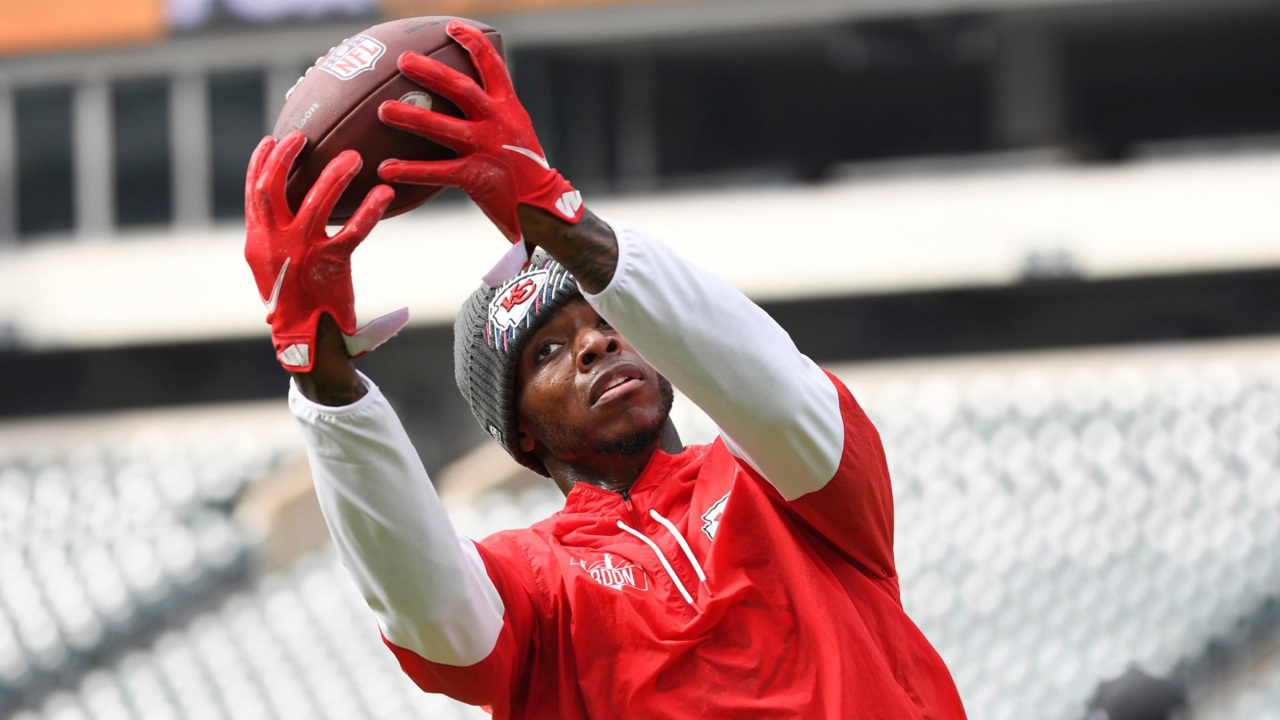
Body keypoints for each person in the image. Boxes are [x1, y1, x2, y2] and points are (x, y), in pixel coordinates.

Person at [243, 19, 967, 720]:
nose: (596, 345)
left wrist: (562, 216)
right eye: (548, 352)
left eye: (610, 321)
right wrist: (321, 380)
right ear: (520, 431)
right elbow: (433, 615)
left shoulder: (791, 490)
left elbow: (775, 393)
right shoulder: (532, 586)